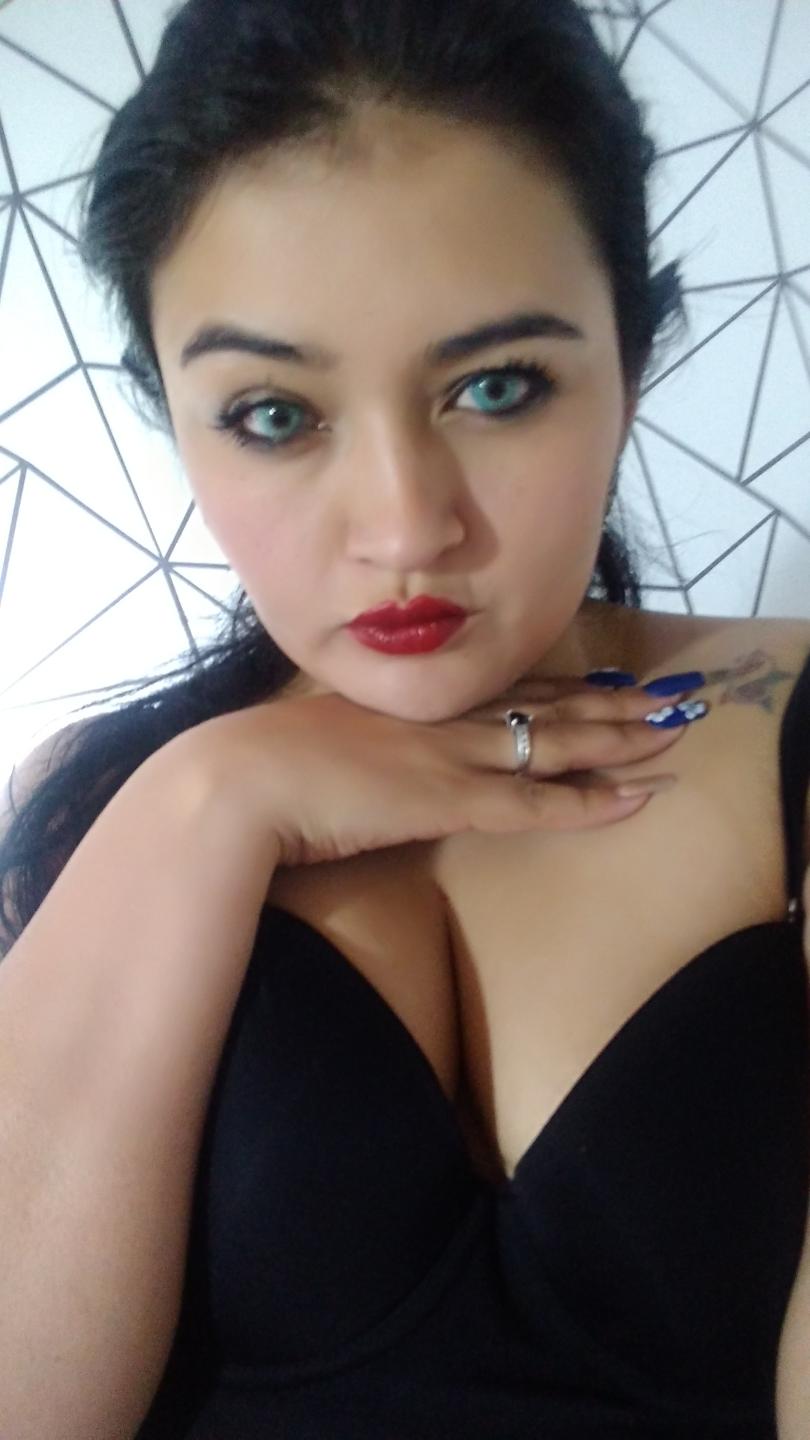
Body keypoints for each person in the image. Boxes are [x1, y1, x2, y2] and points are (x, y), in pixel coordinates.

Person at [0, 0, 808, 1436]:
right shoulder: (101, 799)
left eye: (497, 387)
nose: (402, 527)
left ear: (630, 363)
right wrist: (211, 799)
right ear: (173, 414)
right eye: (273, 414)